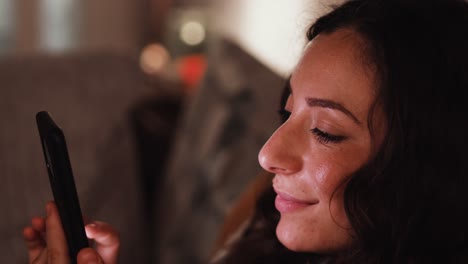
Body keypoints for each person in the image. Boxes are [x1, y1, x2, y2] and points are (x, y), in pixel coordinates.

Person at [23, 0, 468, 263]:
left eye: (325, 131)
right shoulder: (263, 225)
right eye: (285, 113)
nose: (268, 154)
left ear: (426, 164)